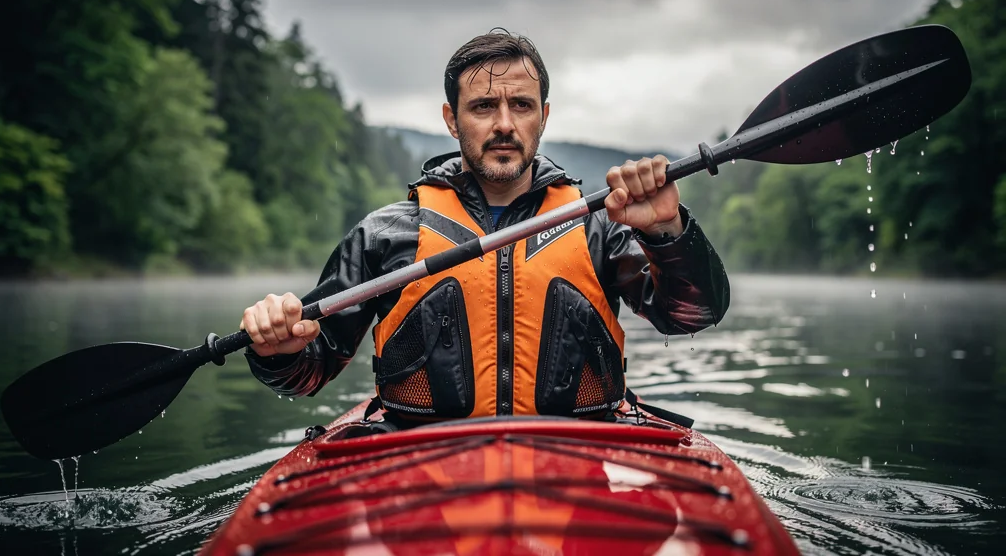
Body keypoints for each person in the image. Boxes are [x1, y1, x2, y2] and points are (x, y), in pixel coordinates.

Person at [241, 29, 729, 421]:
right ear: (452, 121)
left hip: (575, 463)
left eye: (521, 105)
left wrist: (667, 231)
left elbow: (693, 315)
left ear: (544, 116)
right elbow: (309, 369)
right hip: (421, 466)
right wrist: (278, 353)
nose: (504, 124)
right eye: (482, 107)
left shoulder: (597, 226)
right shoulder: (386, 235)